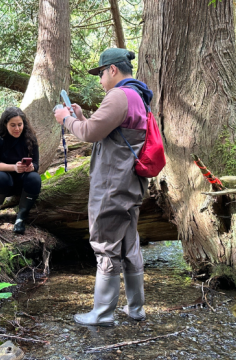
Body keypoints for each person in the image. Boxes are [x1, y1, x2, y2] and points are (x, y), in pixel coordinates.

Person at [54, 48, 153, 326]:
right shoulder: (138, 95)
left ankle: (102, 313)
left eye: (100, 73)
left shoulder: (119, 95)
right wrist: (81, 117)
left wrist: (66, 119)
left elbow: (89, 134)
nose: (99, 80)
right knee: (129, 242)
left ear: (112, 70)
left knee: (106, 244)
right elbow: (105, 133)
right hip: (131, 182)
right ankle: (136, 309)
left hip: (112, 184)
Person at [0, 107, 41, 234]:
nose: (17, 129)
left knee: (35, 178)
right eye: (13, 125)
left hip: (22, 180)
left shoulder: (30, 137)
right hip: (3, 178)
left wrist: (31, 167)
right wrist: (14, 167)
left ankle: (21, 217)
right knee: (0, 177)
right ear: (5, 124)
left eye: (20, 125)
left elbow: (36, 164)